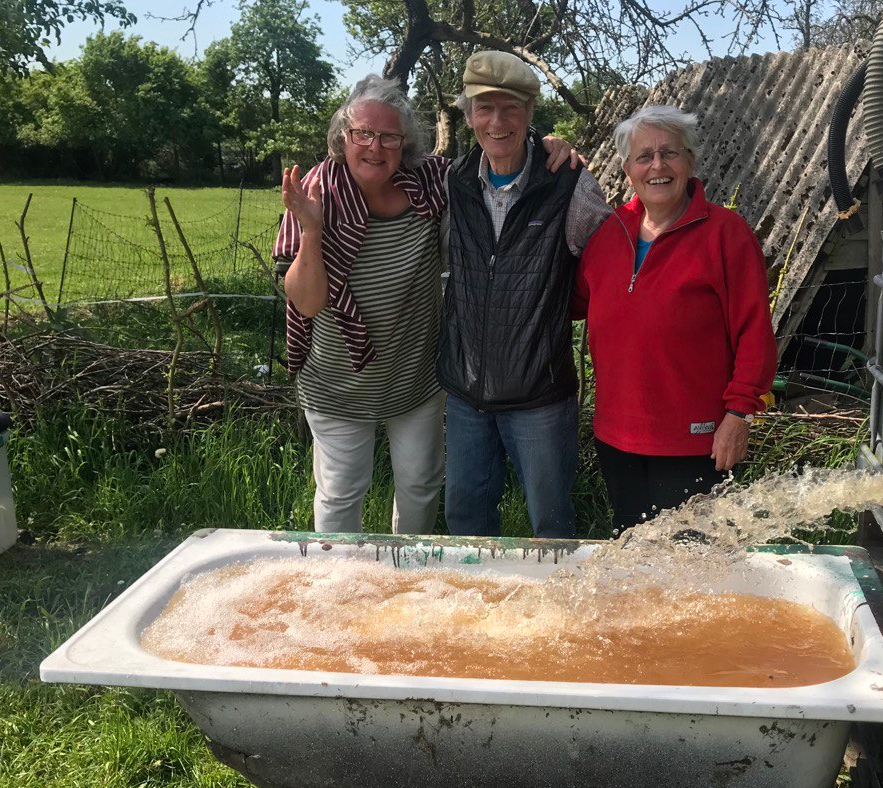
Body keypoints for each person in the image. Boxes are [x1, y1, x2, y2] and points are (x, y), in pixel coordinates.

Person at [275, 75, 579, 535]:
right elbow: (308, 302)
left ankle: (408, 588)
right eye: (363, 133)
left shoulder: (435, 184)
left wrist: (548, 142)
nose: (375, 147)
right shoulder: (316, 193)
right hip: (337, 381)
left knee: (419, 486)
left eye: (389, 137)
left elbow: (499, 156)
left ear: (405, 144)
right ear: (343, 137)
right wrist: (313, 231)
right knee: (340, 494)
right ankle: (338, 588)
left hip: (414, 377)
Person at [573, 105, 777, 535]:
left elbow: (754, 332)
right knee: (631, 556)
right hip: (617, 436)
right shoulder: (607, 235)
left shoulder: (726, 233)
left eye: (670, 153)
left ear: (691, 161)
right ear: (627, 169)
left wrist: (739, 415)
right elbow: (573, 304)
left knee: (691, 566)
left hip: (694, 440)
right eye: (644, 156)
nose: (657, 166)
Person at [439, 51, 611, 540]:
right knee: (466, 523)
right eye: (484, 108)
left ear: (531, 112)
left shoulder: (570, 184)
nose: (497, 121)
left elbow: (611, 270)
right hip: (466, 393)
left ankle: (553, 617)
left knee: (551, 529)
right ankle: (479, 614)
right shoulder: (453, 182)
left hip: (540, 396)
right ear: (469, 114)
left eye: (511, 107)